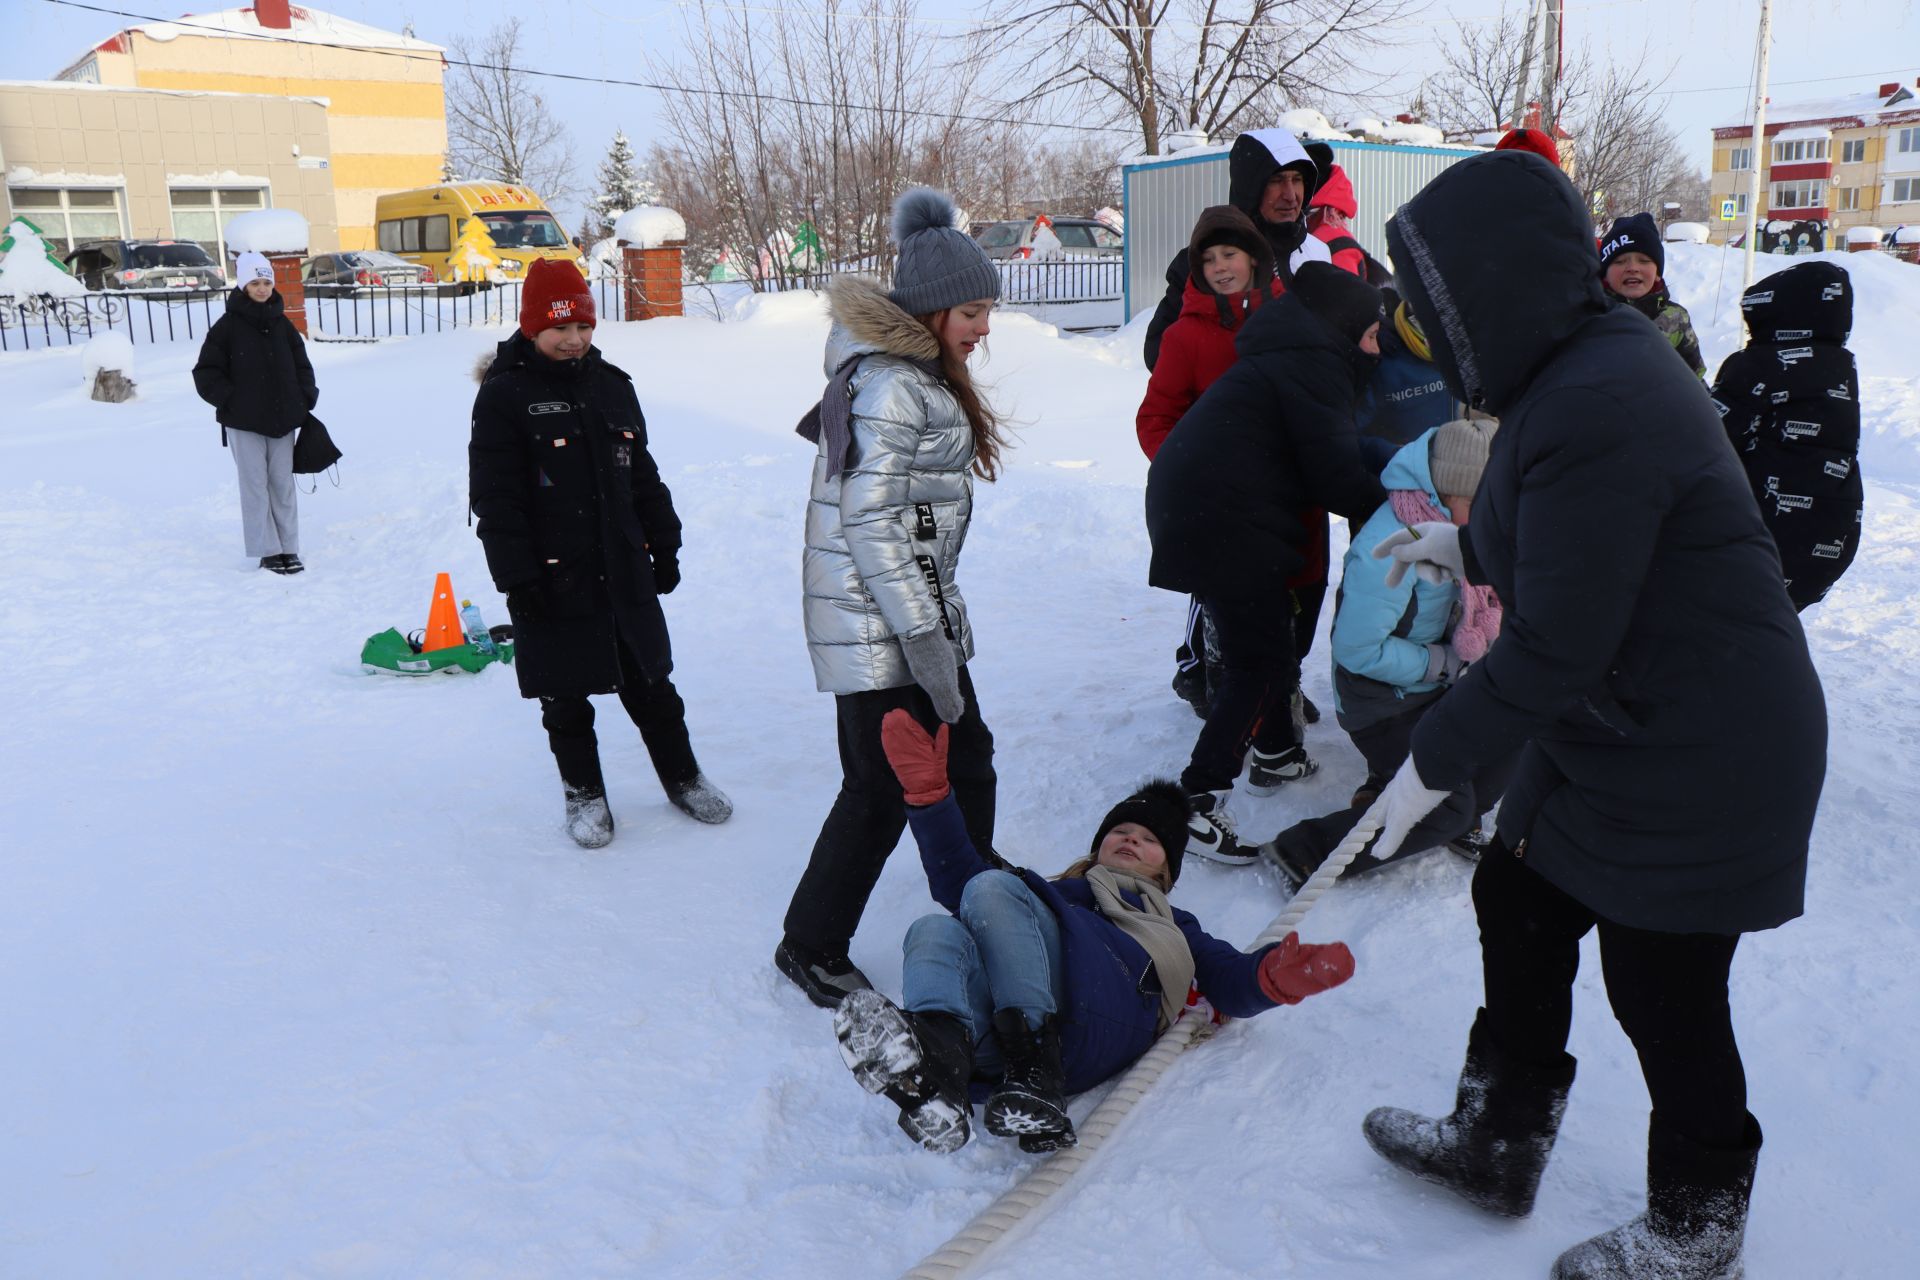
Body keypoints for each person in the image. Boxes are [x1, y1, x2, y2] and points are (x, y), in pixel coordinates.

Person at [1358, 149, 1825, 1279]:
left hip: (1706, 739)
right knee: (1516, 887)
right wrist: (1463, 541)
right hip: (1631, 715)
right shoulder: (1572, 367)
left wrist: (1435, 755)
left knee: (1663, 982)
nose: (1427, 328)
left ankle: (1697, 1226)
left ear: (1489, 290)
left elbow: (1563, 638)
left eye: (1437, 307)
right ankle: (1499, 1139)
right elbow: (1578, 542)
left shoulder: (1599, 393)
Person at [830, 709, 1355, 1153]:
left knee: (992, 888)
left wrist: (1273, 976)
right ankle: (939, 1065)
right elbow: (958, 883)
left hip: (1091, 1026)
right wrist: (929, 797)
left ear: (1165, 871)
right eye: (1120, 832)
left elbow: (1231, 981)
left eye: (1148, 840)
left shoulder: (1173, 925)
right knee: (935, 931)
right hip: (1005, 1055)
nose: (1129, 840)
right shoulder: (1058, 896)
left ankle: (1034, 1065)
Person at [775, 188, 1009, 1009]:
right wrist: (921, 640)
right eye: (974, 311)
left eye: (987, 311)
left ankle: (982, 896)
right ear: (935, 309)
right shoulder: (892, 385)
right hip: (881, 630)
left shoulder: (917, 376)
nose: (984, 327)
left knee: (968, 757)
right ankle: (809, 944)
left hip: (919, 619)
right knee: (877, 788)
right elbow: (871, 522)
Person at [468, 258, 733, 849]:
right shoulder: (505, 395)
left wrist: (664, 543)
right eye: (560, 329)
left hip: (622, 565)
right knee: (565, 698)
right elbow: (495, 497)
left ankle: (683, 777)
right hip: (552, 574)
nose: (573, 340)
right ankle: (583, 795)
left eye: (583, 327)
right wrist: (517, 579)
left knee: (654, 687)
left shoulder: (612, 385)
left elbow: (642, 476)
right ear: (532, 327)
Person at [1144, 263, 1390, 865]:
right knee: (1257, 661)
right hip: (1221, 520)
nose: (1379, 346)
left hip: (1205, 511)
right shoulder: (1313, 367)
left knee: (1270, 642)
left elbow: (1332, 446)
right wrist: (1408, 493)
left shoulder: (1293, 358)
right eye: (1372, 334)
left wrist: (1395, 457)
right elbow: (1337, 478)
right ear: (1343, 329)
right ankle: (1197, 799)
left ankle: (1276, 750)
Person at [1263, 419, 1513, 889]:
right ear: (1444, 492)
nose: (1488, 517)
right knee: (1445, 804)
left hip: (1438, 684)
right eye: (1476, 504)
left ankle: (1444, 806)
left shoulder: (1460, 529)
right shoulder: (1391, 546)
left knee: (1515, 723)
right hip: (1382, 702)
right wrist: (1441, 662)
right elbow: (1357, 649)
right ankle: (1304, 850)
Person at [1135, 206, 1280, 718]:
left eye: (1231, 254)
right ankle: (1224, 705)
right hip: (1217, 503)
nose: (1221, 266)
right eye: (1209, 257)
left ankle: (1277, 705)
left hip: (1283, 498)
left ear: (1255, 257)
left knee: (1285, 614)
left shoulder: (1287, 319)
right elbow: (1155, 419)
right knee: (1224, 617)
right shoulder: (1185, 334)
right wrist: (1190, 470)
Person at [1710, 260, 1865, 610]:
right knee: (1768, 618)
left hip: (1770, 530)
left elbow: (1708, 432)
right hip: (1834, 534)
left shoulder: (1756, 364)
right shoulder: (1842, 367)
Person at [1141, 129, 1333, 370]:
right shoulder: (1208, 259)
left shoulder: (1319, 252)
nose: (1291, 195)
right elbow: (1158, 354)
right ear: (1250, 188)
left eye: (1297, 180)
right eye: (1276, 180)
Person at [192, 251, 316, 574]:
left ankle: (289, 547)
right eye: (255, 283)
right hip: (244, 423)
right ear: (243, 285)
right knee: (255, 485)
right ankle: (268, 550)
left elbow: (302, 366)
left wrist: (304, 399)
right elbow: (206, 372)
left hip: (283, 420)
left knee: (282, 485)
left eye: (266, 282)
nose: (262, 289)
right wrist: (231, 401)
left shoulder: (282, 324)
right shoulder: (227, 327)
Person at [1598, 212, 1706, 378]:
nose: (1632, 267)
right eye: (1619, 261)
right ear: (1605, 274)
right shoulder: (1592, 315)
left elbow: (1695, 379)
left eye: (1644, 260)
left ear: (1657, 272)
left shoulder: (1677, 318)